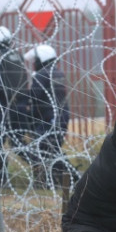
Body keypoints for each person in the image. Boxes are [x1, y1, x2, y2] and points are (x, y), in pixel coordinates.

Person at [0, 25, 34, 186]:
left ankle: (0, 179)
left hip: (0, 108)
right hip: (18, 107)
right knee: (18, 144)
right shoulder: (16, 56)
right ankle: (45, 168)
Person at [24, 44, 80, 189]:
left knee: (44, 150)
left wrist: (28, 115)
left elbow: (35, 98)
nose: (34, 63)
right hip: (59, 116)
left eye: (36, 60)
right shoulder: (56, 73)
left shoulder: (41, 75)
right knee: (52, 150)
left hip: (48, 119)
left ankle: (53, 181)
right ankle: (68, 179)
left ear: (42, 59)